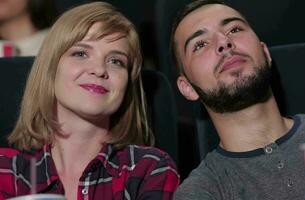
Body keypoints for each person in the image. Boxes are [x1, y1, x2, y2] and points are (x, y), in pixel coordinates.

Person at [170, 0, 305, 199]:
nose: (224, 42)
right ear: (187, 87)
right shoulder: (203, 191)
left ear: (265, 53)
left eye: (234, 29)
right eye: (200, 44)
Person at [0, 2, 179, 200]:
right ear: (49, 71)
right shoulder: (6, 170)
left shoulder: (149, 169)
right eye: (81, 53)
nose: (99, 69)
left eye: (116, 61)